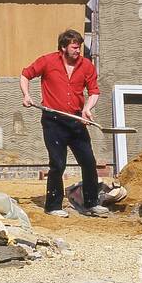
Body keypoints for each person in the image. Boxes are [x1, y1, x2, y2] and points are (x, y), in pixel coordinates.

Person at [20, 30, 107, 218]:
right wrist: (26, 95)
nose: (78, 51)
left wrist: (87, 109)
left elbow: (94, 92)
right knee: (58, 164)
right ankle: (53, 206)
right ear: (63, 47)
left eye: (80, 47)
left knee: (89, 161)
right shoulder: (48, 61)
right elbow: (25, 75)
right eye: (75, 47)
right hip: (53, 121)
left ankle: (91, 203)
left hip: (76, 120)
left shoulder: (87, 66)